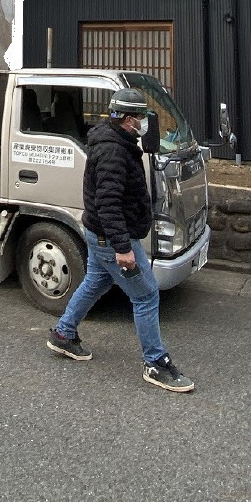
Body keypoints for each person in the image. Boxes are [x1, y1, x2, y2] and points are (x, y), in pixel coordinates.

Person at [46, 88, 194, 393]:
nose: (142, 122)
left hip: (100, 233)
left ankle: (63, 334)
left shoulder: (114, 141)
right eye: (140, 117)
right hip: (111, 237)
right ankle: (155, 363)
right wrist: (123, 248)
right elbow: (108, 203)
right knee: (146, 295)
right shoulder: (114, 152)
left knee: (94, 283)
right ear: (128, 119)